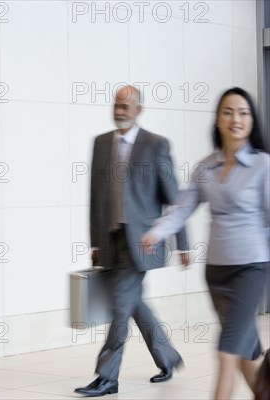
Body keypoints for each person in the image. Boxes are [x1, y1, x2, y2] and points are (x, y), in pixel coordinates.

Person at [142, 87, 269, 400]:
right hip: (216, 272)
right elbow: (182, 208)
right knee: (244, 352)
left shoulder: (263, 165)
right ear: (217, 119)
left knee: (226, 353)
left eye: (243, 112)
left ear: (252, 121)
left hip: (250, 268)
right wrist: (157, 232)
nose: (235, 118)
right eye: (228, 111)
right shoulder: (205, 167)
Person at [74, 85, 190, 397]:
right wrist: (95, 242)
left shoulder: (156, 145)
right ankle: (168, 357)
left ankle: (107, 377)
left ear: (139, 110)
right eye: (116, 104)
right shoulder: (100, 144)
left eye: (127, 105)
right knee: (133, 304)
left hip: (143, 242)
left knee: (121, 307)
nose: (120, 110)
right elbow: (95, 197)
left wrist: (183, 243)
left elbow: (175, 199)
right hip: (110, 240)